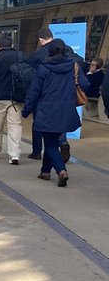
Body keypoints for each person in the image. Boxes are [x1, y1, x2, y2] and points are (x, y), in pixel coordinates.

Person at [23, 41, 91, 187]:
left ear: (50, 51)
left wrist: (27, 109)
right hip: (66, 110)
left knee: (50, 144)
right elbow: (85, 85)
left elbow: (34, 91)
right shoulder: (73, 66)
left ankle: (61, 170)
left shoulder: (43, 68)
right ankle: (45, 171)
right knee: (52, 140)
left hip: (47, 109)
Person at [26, 27, 71, 161]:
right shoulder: (67, 49)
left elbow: (33, 79)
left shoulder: (38, 55)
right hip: (64, 94)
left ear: (40, 40)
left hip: (44, 96)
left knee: (39, 123)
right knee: (60, 120)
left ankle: (37, 151)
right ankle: (63, 142)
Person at [0, 34, 24, 164]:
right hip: (16, 98)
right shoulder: (20, 57)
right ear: (12, 45)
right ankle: (14, 155)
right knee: (15, 126)